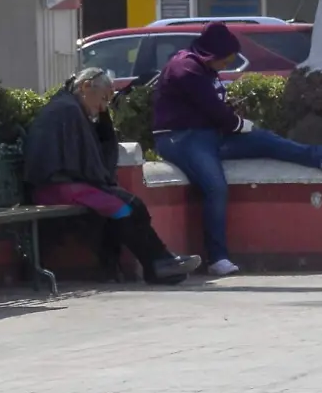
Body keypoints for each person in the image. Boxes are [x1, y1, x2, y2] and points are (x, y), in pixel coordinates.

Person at [153, 22, 322, 276]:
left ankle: (321, 156)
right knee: (215, 186)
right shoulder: (186, 68)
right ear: (212, 53)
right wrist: (236, 123)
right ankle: (217, 258)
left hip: (209, 135)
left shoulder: (205, 68)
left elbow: (215, 110)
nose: (226, 65)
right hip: (180, 138)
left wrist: (238, 124)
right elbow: (213, 110)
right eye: (225, 60)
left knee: (263, 139)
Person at [23, 67, 203, 285]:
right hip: (53, 188)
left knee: (132, 205)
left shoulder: (72, 106)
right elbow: (73, 162)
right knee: (123, 207)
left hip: (68, 183)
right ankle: (156, 264)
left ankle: (161, 261)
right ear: (85, 87)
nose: (102, 108)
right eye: (102, 99)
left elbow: (88, 156)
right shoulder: (66, 110)